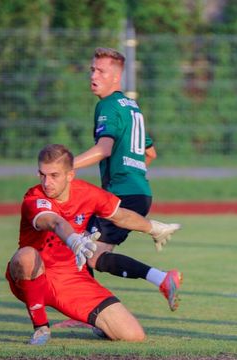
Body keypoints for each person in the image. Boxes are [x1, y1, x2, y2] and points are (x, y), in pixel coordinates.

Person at [6, 144, 181, 345]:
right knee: (26, 256)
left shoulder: (87, 193)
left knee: (133, 335)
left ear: (70, 175)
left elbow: (121, 217)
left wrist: (153, 228)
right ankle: (41, 328)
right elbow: (55, 222)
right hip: (35, 275)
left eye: (54, 175)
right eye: (42, 175)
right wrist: (74, 240)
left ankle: (99, 324)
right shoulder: (34, 197)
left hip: (71, 279)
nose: (47, 182)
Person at [73, 47, 182, 312]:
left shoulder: (108, 105)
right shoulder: (132, 107)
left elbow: (104, 149)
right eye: (92, 70)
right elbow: (151, 153)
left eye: (101, 71)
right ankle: (91, 311)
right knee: (86, 248)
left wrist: (66, 166)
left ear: (116, 77)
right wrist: (133, 173)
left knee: (87, 252)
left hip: (121, 194)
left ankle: (157, 281)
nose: (94, 76)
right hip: (138, 191)